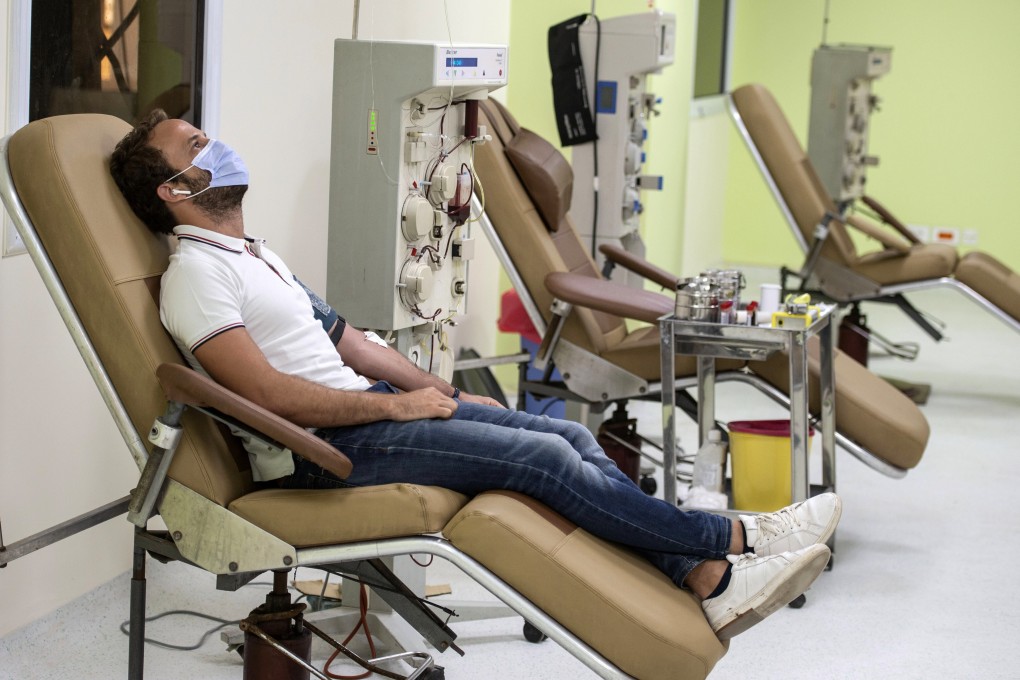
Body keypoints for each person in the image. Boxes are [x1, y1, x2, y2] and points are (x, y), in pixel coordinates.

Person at [109, 109, 841, 640]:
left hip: (369, 410)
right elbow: (264, 396)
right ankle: (734, 541)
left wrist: (441, 394)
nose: (219, 145)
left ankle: (706, 579)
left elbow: (353, 341)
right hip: (323, 452)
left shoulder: (253, 255)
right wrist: (392, 412)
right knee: (550, 457)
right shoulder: (195, 276)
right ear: (176, 190)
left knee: (562, 437)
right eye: (198, 145)